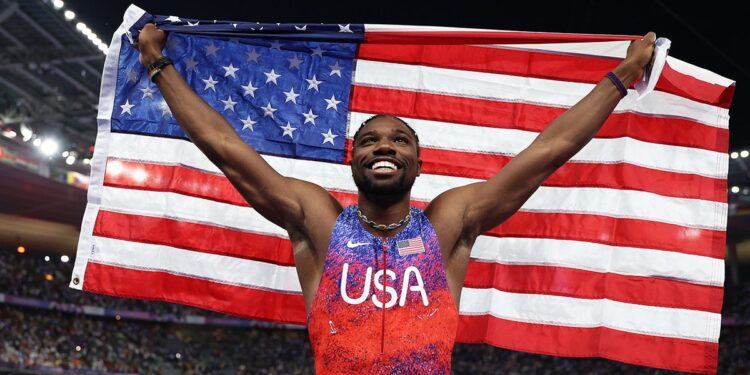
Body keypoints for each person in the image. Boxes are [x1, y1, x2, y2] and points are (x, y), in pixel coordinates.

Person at [136, 23, 656, 374]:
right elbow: (226, 148)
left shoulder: (449, 224)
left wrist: (622, 76)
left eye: (399, 139)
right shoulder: (318, 223)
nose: (384, 145)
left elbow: (549, 150)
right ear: (353, 159)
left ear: (418, 163)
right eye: (369, 140)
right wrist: (158, 64)